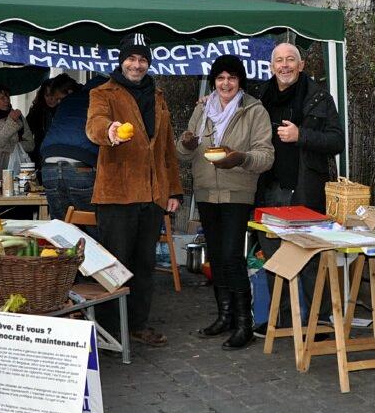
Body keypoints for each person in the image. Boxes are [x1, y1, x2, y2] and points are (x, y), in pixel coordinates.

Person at [85, 33, 183, 347]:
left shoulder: (158, 96)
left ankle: (138, 324)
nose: (136, 65)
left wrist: (174, 191)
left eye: (142, 59)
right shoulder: (104, 93)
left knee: (144, 266)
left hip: (152, 196)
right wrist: (110, 131)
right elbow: (95, 124)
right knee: (115, 264)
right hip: (117, 195)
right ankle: (110, 329)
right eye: (131, 58)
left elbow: (166, 147)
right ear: (121, 60)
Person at [177, 55, 274, 350]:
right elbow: (182, 154)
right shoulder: (203, 108)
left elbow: (266, 156)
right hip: (206, 191)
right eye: (220, 78)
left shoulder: (255, 111)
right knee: (217, 256)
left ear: (240, 81)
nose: (226, 83)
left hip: (237, 193)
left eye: (231, 77)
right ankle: (225, 316)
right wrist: (187, 144)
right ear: (213, 81)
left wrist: (240, 158)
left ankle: (244, 322)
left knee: (232, 255)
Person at [254, 43, 345, 338]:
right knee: (273, 257)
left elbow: (336, 141)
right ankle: (280, 321)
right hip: (267, 189)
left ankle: (315, 321)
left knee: (307, 257)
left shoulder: (319, 96)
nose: (284, 65)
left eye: (290, 60)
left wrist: (300, 135)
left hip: (305, 190)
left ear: (301, 64)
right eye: (279, 60)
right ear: (271, 66)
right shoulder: (259, 96)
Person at [40, 74, 106, 236]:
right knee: (96, 229)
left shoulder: (68, 101)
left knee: (62, 230)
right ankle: (97, 260)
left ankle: (63, 261)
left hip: (49, 165)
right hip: (81, 166)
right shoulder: (104, 101)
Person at [25, 73, 78, 183]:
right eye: (47, 95)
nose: (51, 99)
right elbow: (27, 130)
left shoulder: (65, 110)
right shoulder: (36, 111)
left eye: (53, 96)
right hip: (40, 156)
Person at [0, 84, 34, 176]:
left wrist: (13, 148)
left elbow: (30, 145)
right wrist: (11, 122)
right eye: (2, 98)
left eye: (8, 97)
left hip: (18, 167)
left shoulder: (17, 116)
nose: (7, 100)